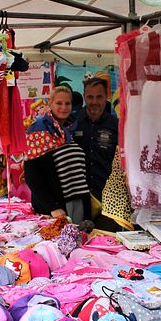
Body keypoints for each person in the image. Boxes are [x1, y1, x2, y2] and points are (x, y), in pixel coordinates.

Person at [24, 86, 90, 223]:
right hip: (54, 210)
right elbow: (32, 174)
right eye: (59, 103)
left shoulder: (68, 131)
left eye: (67, 103)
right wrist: (52, 207)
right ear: (50, 104)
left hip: (74, 205)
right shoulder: (38, 130)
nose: (64, 107)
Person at [73, 78, 119, 203]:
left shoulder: (116, 125)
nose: (94, 101)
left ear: (106, 97)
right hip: (78, 196)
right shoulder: (72, 122)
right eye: (90, 97)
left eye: (99, 97)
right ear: (84, 96)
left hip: (108, 197)